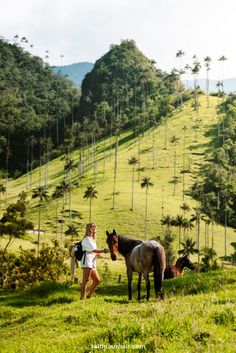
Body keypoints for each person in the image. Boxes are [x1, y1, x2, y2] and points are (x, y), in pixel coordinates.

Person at [80, 222, 109, 299]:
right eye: (94, 227)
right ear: (90, 229)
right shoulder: (86, 239)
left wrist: (98, 254)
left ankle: (89, 295)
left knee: (97, 280)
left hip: (92, 261)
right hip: (87, 260)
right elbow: (92, 250)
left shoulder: (92, 239)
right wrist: (103, 250)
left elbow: (94, 251)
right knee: (86, 279)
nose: (96, 228)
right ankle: (82, 298)